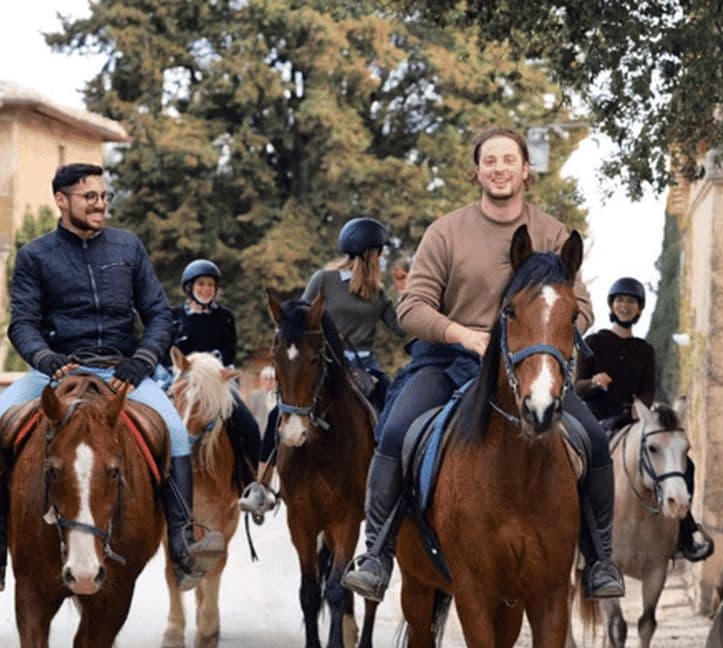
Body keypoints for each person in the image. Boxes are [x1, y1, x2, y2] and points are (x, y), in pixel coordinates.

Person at [342, 126, 626, 603]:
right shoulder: (446, 231)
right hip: (448, 361)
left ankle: (600, 560)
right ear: (476, 171)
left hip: (532, 366)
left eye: (508, 160)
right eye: (489, 161)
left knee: (594, 440)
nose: (499, 168)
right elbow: (412, 308)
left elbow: (581, 305)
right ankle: (377, 555)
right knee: (396, 431)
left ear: (525, 171)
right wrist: (463, 335)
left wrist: (546, 335)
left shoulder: (554, 234)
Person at [0, 162, 221, 592]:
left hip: (123, 372)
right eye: (89, 197)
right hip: (56, 371)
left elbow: (156, 315)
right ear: (61, 201)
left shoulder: (129, 248)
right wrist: (47, 360)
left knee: (176, 431)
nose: (100, 205)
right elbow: (21, 323)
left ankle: (184, 543)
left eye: (103, 197)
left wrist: (142, 361)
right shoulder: (35, 255)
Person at [238, 216, 406, 521]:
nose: (380, 259)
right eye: (378, 252)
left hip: (366, 367)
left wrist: (411, 300)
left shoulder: (379, 294)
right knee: (282, 412)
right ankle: (260, 486)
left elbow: (401, 328)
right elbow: (296, 322)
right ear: (368, 253)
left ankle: (393, 486)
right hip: (327, 366)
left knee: (394, 408)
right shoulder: (324, 281)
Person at [575, 276, 714, 562]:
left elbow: (648, 391)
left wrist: (640, 412)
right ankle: (575, 533)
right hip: (598, 419)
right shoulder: (593, 342)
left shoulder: (645, 350)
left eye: (631, 301)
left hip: (634, 420)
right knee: (580, 463)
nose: (625, 306)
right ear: (612, 305)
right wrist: (594, 383)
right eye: (620, 300)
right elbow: (577, 387)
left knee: (684, 463)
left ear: (639, 309)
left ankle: (685, 532)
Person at [162, 258, 260, 490]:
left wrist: (213, 367)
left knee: (249, 426)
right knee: (156, 421)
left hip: (216, 382)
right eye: (201, 284)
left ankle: (251, 483)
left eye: (210, 285)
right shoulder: (174, 316)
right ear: (189, 288)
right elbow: (165, 353)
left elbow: (230, 350)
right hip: (182, 380)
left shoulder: (224, 316)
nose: (206, 289)